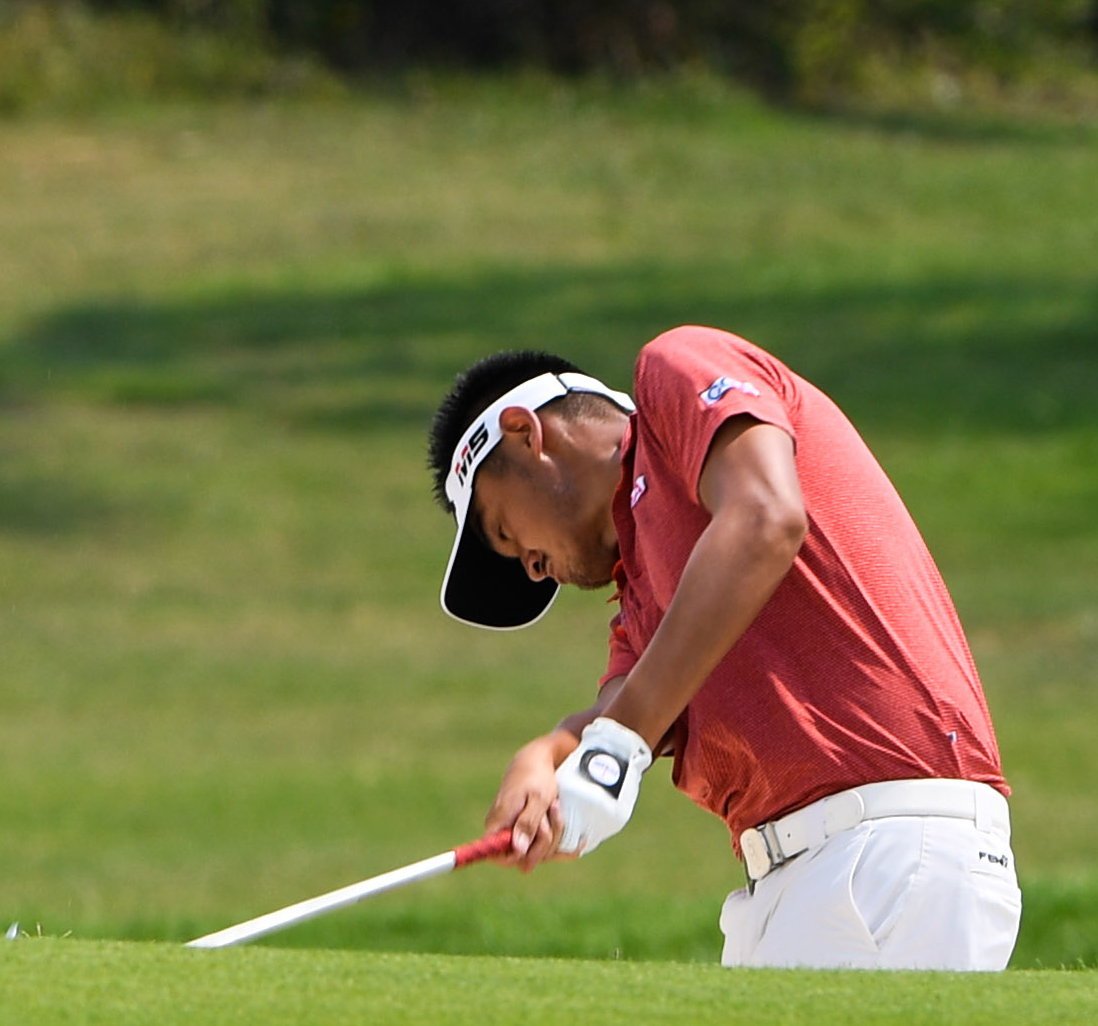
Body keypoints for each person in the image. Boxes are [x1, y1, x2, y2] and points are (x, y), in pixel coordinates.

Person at [427, 330, 1017, 970]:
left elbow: (765, 517)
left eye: (505, 533)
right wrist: (548, 756)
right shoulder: (645, 597)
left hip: (883, 854)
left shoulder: (677, 370)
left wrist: (616, 745)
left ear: (524, 433)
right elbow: (627, 712)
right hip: (805, 877)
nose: (532, 569)